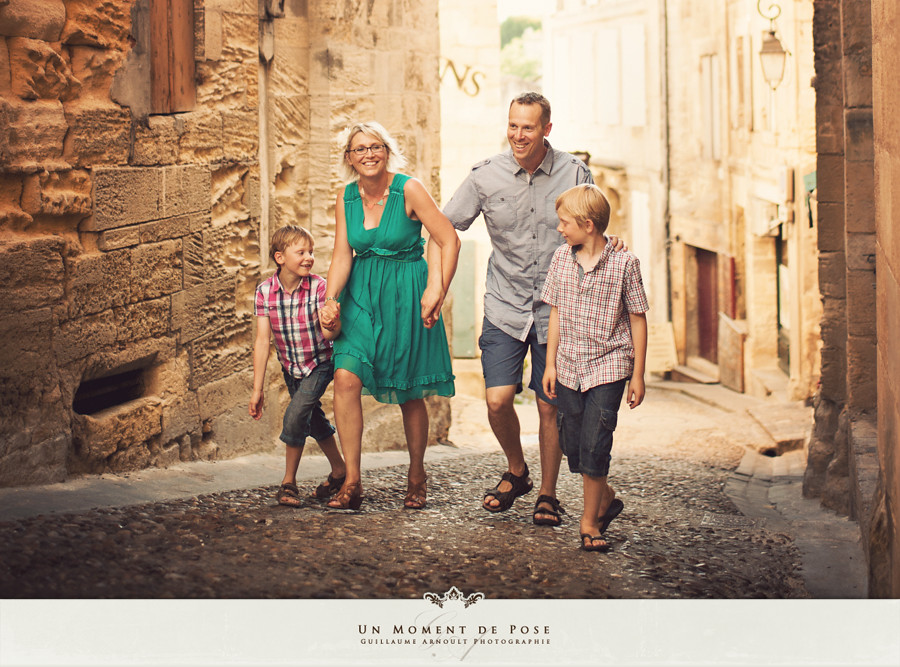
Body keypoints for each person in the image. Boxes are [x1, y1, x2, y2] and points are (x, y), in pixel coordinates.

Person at [443, 91, 621, 525]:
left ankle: (547, 493)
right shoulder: (485, 177)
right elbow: (446, 226)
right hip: (505, 303)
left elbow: (594, 226)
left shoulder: (574, 172)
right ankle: (517, 471)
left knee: (549, 406)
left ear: (546, 129)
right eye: (513, 125)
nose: (518, 135)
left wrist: (615, 251)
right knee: (498, 399)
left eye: (528, 127)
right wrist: (434, 287)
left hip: (556, 311)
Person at [319, 121, 460, 511]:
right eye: (359, 149)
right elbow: (342, 255)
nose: (368, 154)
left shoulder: (409, 189)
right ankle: (352, 481)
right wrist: (330, 300)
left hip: (406, 296)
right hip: (360, 298)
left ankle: (416, 473)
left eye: (375, 147)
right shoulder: (345, 197)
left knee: (408, 392)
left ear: (386, 150)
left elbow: (448, 238)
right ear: (349, 158)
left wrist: (437, 289)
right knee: (345, 378)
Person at [541, 184, 648, 552]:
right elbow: (554, 311)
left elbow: (637, 318)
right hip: (568, 364)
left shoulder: (625, 263)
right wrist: (550, 363)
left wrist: (638, 374)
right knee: (572, 441)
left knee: (596, 441)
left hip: (609, 365)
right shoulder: (560, 259)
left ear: (587, 225)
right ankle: (606, 496)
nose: (559, 229)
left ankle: (589, 523)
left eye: (564, 222)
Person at [249, 225, 347, 507]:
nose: (309, 257)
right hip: (291, 368)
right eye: (301, 252)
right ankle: (340, 471)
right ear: (280, 257)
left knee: (295, 415)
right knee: (313, 418)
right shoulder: (265, 292)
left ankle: (288, 483)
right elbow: (262, 341)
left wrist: (332, 323)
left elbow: (330, 335)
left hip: (320, 362)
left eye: (311, 252)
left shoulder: (319, 287)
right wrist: (257, 389)